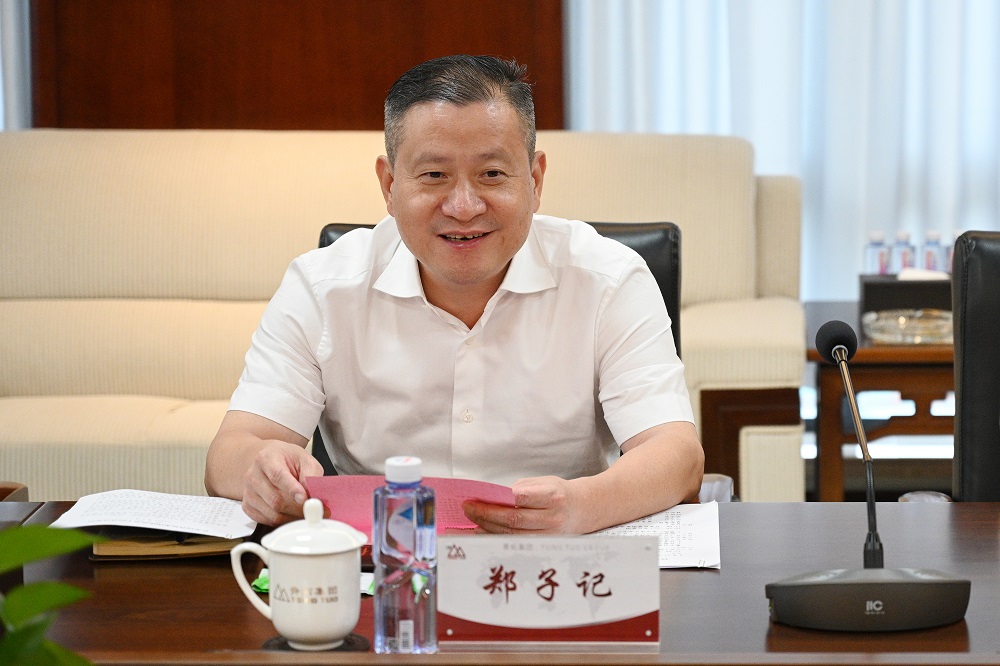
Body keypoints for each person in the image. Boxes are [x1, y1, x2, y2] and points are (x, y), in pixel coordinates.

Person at [205, 55, 704, 530]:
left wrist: (582, 508)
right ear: (389, 184)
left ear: (535, 180)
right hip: (383, 560)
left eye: (492, 174)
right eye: (434, 176)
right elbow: (230, 454)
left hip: (559, 559)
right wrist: (262, 469)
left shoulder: (608, 280)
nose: (464, 207)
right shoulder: (322, 287)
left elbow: (675, 455)